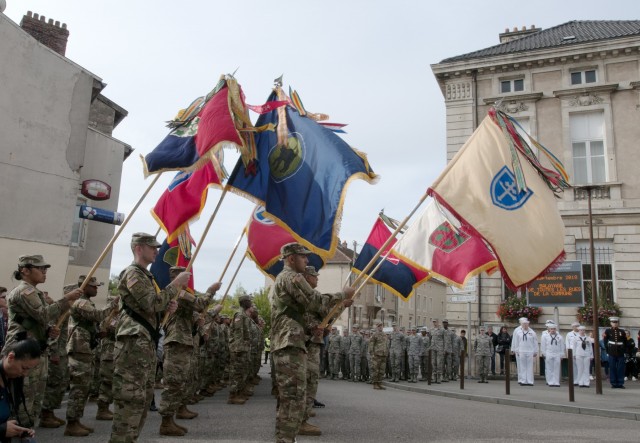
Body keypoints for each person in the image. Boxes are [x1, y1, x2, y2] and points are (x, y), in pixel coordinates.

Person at [270, 243, 353, 443]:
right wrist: (343, 295)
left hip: (289, 342)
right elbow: (316, 302)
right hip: (289, 344)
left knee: (290, 397)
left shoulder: (286, 279)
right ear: (291, 258)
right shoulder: (293, 277)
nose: (307, 260)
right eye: (303, 257)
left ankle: (285, 438)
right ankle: (285, 439)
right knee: (294, 397)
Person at [109, 233, 185, 443]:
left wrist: (167, 307)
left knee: (141, 403)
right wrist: (175, 285)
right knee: (130, 402)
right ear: (139, 248)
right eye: (152, 247)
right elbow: (151, 303)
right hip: (133, 344)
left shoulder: (146, 276)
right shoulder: (132, 274)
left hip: (143, 343)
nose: (157, 251)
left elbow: (154, 308)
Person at [5, 254, 82, 427]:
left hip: (35, 349)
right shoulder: (25, 291)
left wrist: (48, 331)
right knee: (23, 399)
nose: (44, 271)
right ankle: (20, 431)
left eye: (45, 268)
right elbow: (44, 314)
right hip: (21, 352)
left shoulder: (35, 292)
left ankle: (27, 431)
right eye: (40, 268)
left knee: (35, 399)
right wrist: (67, 298)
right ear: (25, 270)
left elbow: (37, 321)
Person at [159, 265, 221, 436]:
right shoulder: (179, 292)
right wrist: (211, 290)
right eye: (185, 276)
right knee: (173, 383)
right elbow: (200, 305)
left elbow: (193, 313)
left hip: (182, 341)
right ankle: (166, 422)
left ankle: (174, 415)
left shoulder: (179, 294)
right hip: (176, 342)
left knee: (180, 382)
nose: (189, 279)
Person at [64, 276, 118, 437]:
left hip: (85, 347)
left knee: (84, 385)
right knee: (79, 386)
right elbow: (97, 315)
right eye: (93, 287)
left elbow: (91, 322)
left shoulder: (86, 301)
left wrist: (97, 332)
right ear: (85, 286)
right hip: (79, 347)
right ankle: (72, 423)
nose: (96, 289)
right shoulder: (81, 302)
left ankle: (76, 420)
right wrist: (112, 305)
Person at [0, 339, 42, 442]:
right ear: (11, 357)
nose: (25, 374)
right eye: (24, 368)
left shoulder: (12, 378)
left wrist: (17, 430)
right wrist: (2, 430)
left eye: (29, 370)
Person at [603, 317, 628, 389]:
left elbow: (625, 342)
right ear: (611, 323)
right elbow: (605, 341)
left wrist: (625, 350)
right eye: (613, 322)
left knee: (620, 368)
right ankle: (613, 383)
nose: (615, 323)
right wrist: (607, 351)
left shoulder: (622, 331)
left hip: (620, 351)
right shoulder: (608, 331)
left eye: (616, 322)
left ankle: (620, 383)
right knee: (612, 367)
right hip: (612, 351)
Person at [511, 318, 537, 386]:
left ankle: (530, 381)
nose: (525, 325)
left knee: (529, 367)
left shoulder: (532, 332)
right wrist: (515, 350)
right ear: (521, 324)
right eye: (523, 324)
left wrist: (535, 351)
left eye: (526, 324)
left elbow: (535, 342)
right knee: (522, 366)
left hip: (530, 351)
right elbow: (515, 341)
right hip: (521, 351)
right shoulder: (517, 331)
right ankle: (523, 380)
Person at [540, 322, 564, 387]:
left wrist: (561, 355)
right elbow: (543, 346)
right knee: (549, 368)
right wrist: (544, 353)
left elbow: (562, 346)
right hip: (549, 353)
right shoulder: (545, 336)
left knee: (556, 368)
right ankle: (550, 381)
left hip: (557, 353)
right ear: (549, 330)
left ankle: (556, 382)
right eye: (551, 329)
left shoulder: (559, 337)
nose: (553, 330)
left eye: (554, 329)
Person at [369, 321, 388, 390]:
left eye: (381, 326)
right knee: (376, 370)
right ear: (377, 327)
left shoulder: (385, 335)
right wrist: (372, 353)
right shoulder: (374, 335)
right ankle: (375, 383)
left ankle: (380, 383)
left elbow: (386, 344)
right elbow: (371, 344)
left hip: (384, 355)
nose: (380, 327)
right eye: (379, 326)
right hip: (377, 355)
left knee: (382, 370)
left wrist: (386, 352)